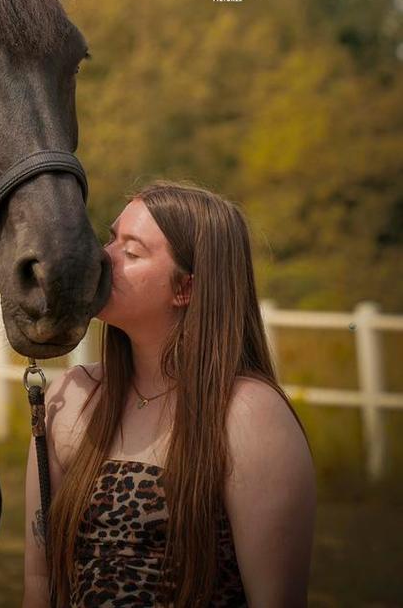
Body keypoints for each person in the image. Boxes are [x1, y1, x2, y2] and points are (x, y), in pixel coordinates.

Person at [23, 179, 316, 608]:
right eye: (110, 238)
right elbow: (39, 581)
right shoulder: (71, 398)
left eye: (132, 251)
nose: (102, 257)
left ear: (187, 289)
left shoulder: (248, 415)